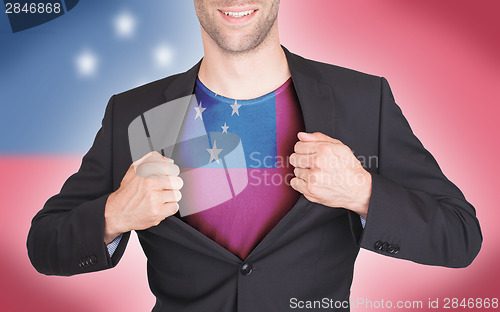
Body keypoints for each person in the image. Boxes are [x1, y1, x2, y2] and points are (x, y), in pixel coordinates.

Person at [27, 1, 482, 311]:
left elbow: (460, 236)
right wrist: (114, 214)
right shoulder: (134, 113)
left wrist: (363, 192)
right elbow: (44, 245)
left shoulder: (363, 100)